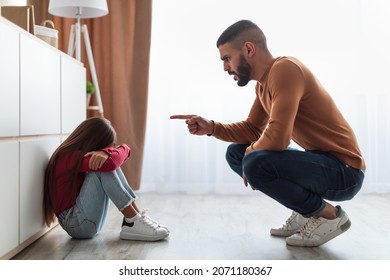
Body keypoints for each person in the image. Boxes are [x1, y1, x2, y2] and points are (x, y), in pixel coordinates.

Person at [171, 19, 365, 247]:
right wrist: (212, 127)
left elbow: (279, 138)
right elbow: (252, 129)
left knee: (253, 161)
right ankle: (305, 212)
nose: (225, 67)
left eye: (226, 58)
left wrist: (251, 160)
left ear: (249, 49)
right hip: (323, 164)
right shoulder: (263, 84)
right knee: (236, 154)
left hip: (345, 172)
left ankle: (330, 216)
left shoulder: (285, 70)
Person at [43, 117, 169, 241]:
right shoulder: (68, 157)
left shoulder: (76, 154)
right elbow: (111, 163)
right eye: (104, 148)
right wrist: (111, 153)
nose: (107, 151)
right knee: (103, 168)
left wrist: (106, 152)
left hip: (84, 222)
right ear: (94, 143)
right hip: (75, 223)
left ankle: (135, 218)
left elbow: (121, 154)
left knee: (105, 165)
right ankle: (132, 221)